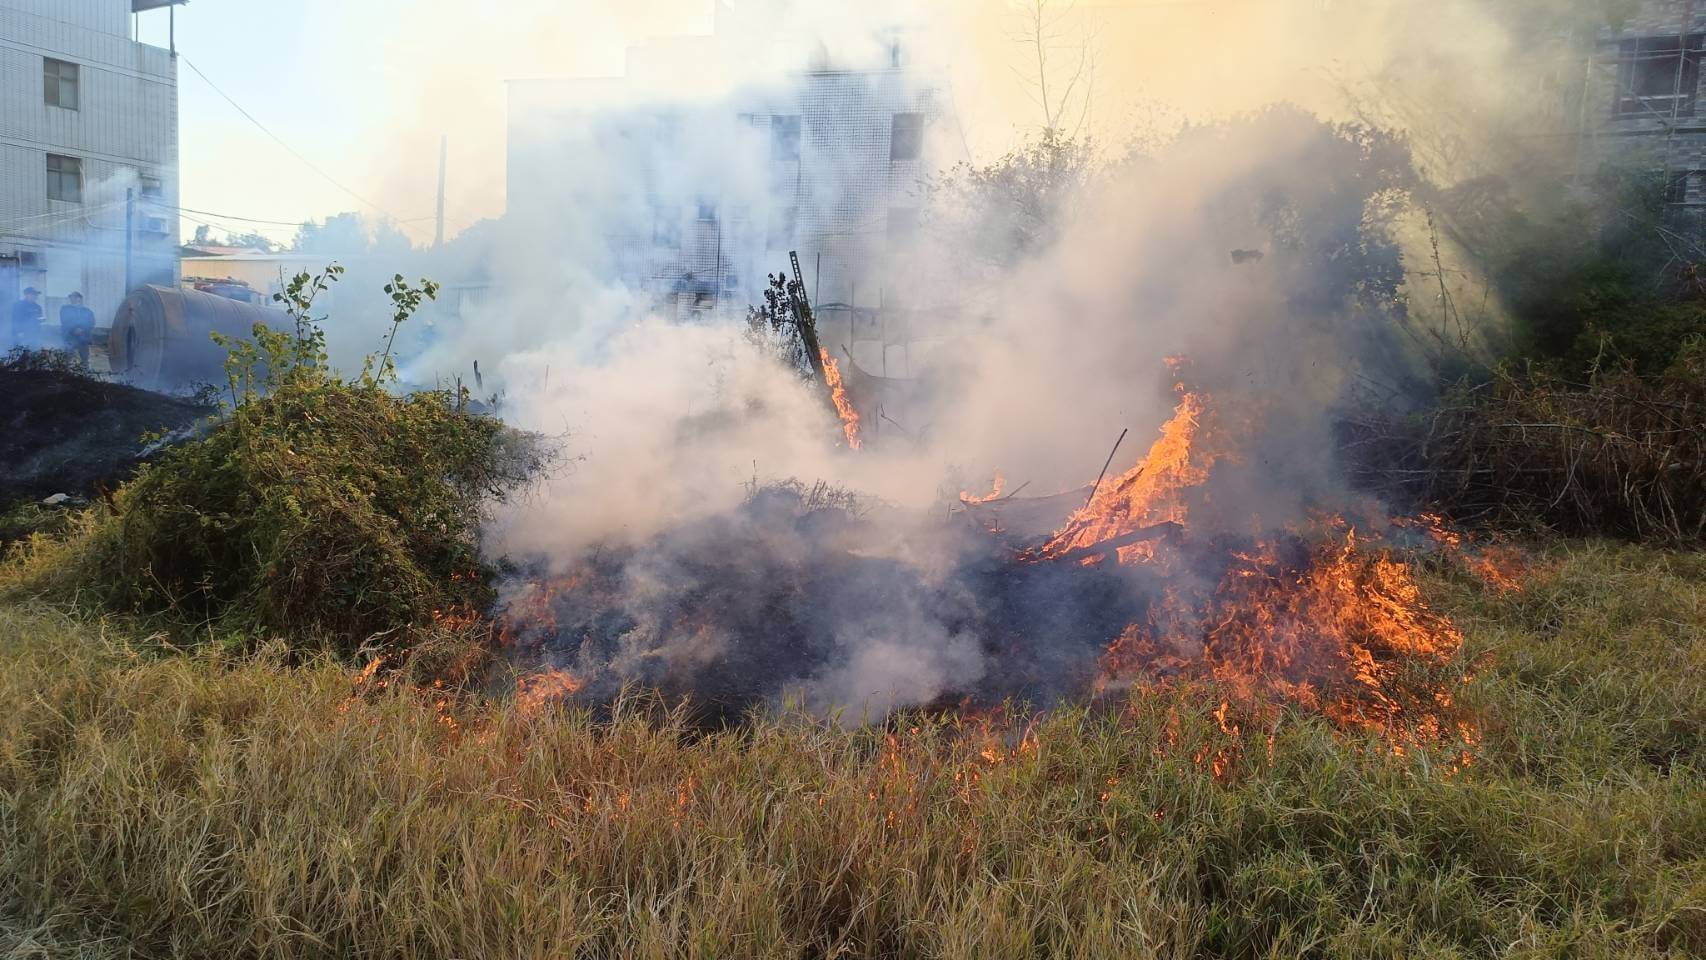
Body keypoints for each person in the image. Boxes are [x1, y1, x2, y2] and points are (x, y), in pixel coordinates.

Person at [59, 291, 96, 367]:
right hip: (69, 337)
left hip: (83, 337)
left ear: (80, 299)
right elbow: (65, 321)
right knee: (67, 359)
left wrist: (83, 330)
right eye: (72, 297)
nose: (74, 299)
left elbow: (91, 322)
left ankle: (85, 375)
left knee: (85, 359)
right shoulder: (65, 309)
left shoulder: (87, 311)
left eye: (76, 297)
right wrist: (74, 329)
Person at [9, 287, 43, 352]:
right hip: (21, 334)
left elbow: (39, 319)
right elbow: (15, 319)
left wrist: (40, 320)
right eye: (33, 294)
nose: (35, 296)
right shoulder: (18, 305)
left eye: (36, 294)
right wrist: (19, 332)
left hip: (34, 334)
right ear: (27, 295)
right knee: (20, 352)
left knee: (33, 352)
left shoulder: (38, 307)